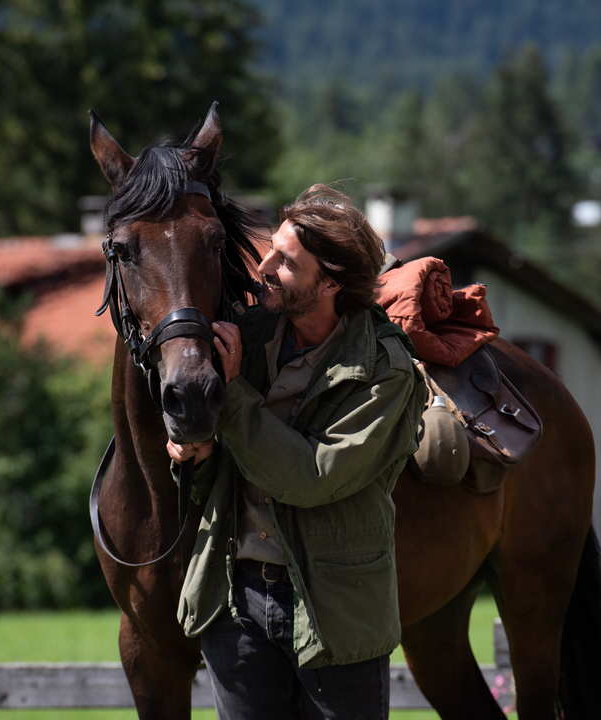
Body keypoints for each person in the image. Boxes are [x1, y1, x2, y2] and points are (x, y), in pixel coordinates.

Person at [167, 184, 424, 719]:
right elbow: (224, 462)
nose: (263, 266)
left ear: (329, 282)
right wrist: (195, 456)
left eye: (286, 262)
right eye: (271, 248)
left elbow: (313, 477)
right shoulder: (249, 335)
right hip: (234, 603)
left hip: (335, 613)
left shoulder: (384, 372)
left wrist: (233, 396)